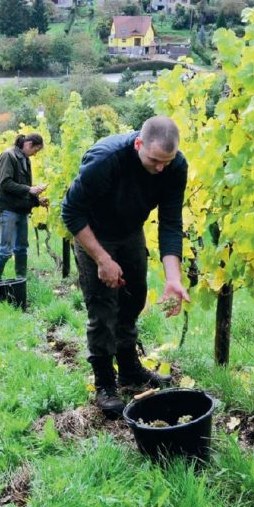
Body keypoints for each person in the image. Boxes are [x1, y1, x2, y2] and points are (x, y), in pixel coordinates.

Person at [60, 116, 191, 418]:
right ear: (138, 144)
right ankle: (105, 383)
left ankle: (129, 370)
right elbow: (71, 212)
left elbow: (171, 223)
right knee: (103, 309)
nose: (161, 168)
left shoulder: (175, 167)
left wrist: (173, 278)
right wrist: (102, 259)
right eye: (155, 160)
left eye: (166, 162)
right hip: (93, 231)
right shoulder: (106, 160)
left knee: (134, 299)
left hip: (131, 231)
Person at [0, 133, 45, 281]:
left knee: (22, 247)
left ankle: (21, 280)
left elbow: (23, 188)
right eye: (36, 150)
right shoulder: (9, 156)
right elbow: (5, 183)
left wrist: (38, 200)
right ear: (28, 145)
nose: (35, 154)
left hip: (21, 209)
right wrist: (30, 189)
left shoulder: (25, 159)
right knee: (6, 249)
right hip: (8, 209)